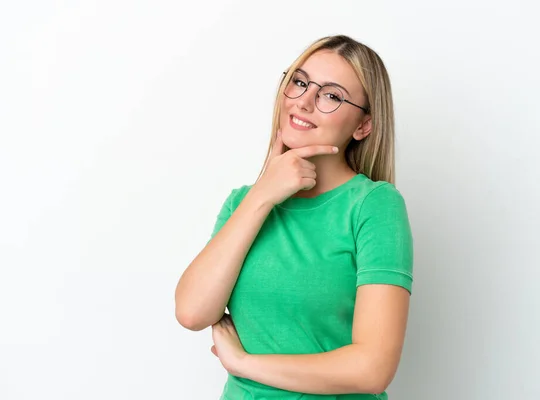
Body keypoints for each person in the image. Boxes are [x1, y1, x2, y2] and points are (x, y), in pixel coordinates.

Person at [175, 34, 414, 400]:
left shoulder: (374, 206)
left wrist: (242, 363)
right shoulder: (244, 202)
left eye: (331, 95)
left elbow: (373, 370)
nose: (303, 102)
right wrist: (262, 196)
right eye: (299, 82)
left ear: (363, 126)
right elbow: (192, 312)